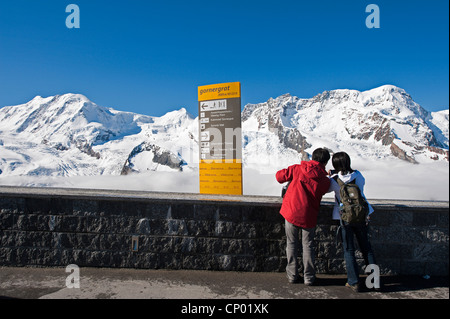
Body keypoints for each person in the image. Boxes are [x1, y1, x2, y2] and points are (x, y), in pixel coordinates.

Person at [276, 148, 331, 285]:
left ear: (312, 158)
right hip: (309, 215)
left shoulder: (298, 168)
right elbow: (323, 189)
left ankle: (292, 276)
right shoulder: (325, 181)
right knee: (308, 246)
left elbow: (279, 177)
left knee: (291, 243)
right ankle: (309, 277)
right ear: (325, 162)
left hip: (291, 212)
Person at [328, 152, 377, 292]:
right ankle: (374, 281)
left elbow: (326, 189)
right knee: (366, 248)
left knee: (349, 250)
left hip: (344, 218)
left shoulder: (334, 180)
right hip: (362, 216)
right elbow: (361, 189)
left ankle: (354, 282)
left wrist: (330, 175)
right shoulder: (359, 176)